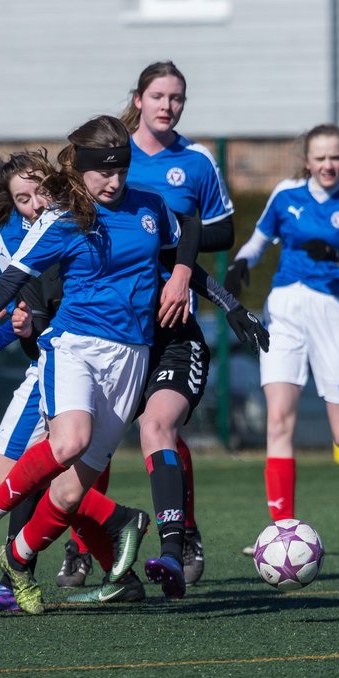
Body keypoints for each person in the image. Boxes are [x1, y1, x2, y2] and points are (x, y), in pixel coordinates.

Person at [0, 115, 267, 614]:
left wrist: (221, 298)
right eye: (103, 172)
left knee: (66, 493)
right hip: (75, 346)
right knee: (68, 440)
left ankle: (17, 563)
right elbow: (8, 284)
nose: (115, 181)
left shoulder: (147, 206)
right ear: (81, 170)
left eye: (122, 170)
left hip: (132, 358)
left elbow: (188, 230)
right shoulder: (61, 220)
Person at [0, 143, 151, 612]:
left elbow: (46, 300)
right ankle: (105, 554)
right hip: (57, 357)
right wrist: (0, 324)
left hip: (72, 356)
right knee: (35, 476)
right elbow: (19, 306)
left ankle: (22, 570)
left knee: (14, 472)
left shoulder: (32, 221)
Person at [225, 123, 339, 557]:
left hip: (334, 316)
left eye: (336, 157)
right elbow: (258, 241)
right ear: (307, 160)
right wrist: (241, 264)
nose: (328, 165)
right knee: (278, 421)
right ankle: (281, 532)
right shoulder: (286, 195)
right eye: (320, 157)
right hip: (284, 311)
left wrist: (337, 255)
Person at [117, 59, 237, 587]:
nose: (168, 106)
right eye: (159, 96)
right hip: (115, 317)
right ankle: (79, 543)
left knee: (157, 425)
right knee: (86, 433)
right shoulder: (110, 155)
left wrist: (178, 255)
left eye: (177, 98)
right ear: (139, 99)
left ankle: (180, 534)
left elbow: (223, 231)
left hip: (171, 316)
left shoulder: (195, 161)